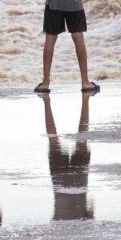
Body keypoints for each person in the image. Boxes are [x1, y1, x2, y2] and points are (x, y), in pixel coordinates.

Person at [42, 92, 95, 221]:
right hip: (62, 182)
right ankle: (47, 103)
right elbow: (90, 213)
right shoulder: (58, 225)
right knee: (54, 140)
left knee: (79, 140)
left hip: (76, 181)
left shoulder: (61, 226)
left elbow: (90, 213)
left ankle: (48, 101)